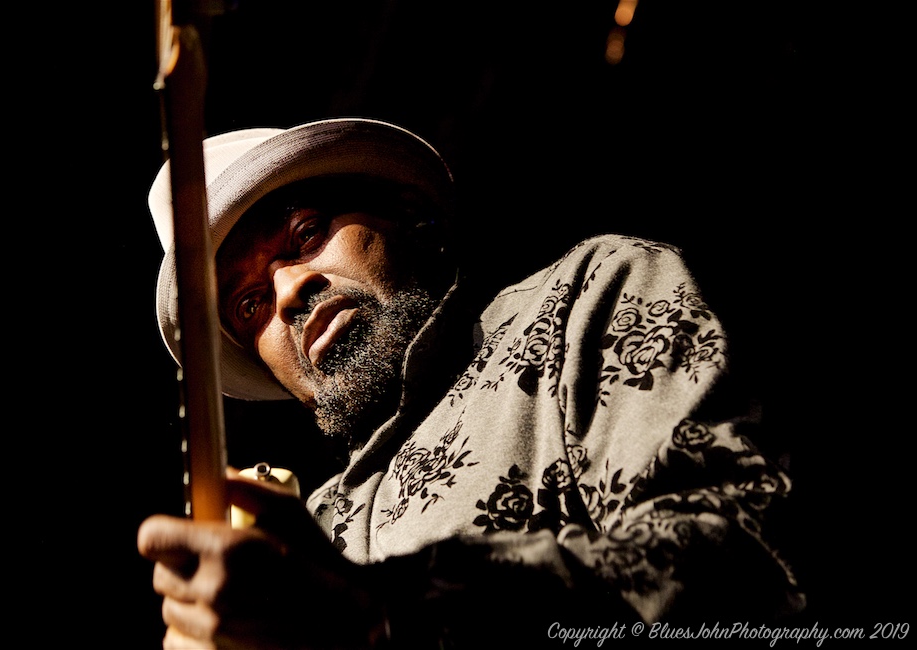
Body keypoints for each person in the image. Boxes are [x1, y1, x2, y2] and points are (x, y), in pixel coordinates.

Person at [138, 118, 805, 648]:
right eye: (248, 305)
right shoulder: (315, 529)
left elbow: (738, 553)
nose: (288, 292)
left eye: (306, 234)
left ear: (411, 217)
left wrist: (385, 613)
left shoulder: (588, 295)